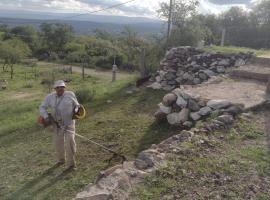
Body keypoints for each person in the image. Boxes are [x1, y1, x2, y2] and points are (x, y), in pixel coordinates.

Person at [39, 80, 80, 170]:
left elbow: (77, 105)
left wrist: (77, 110)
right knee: (58, 143)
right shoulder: (50, 97)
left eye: (62, 87)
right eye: (58, 87)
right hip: (57, 124)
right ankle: (61, 160)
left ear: (64, 87)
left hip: (69, 123)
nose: (60, 89)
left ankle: (71, 164)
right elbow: (42, 107)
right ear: (55, 89)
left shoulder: (70, 94)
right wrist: (46, 116)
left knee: (70, 142)